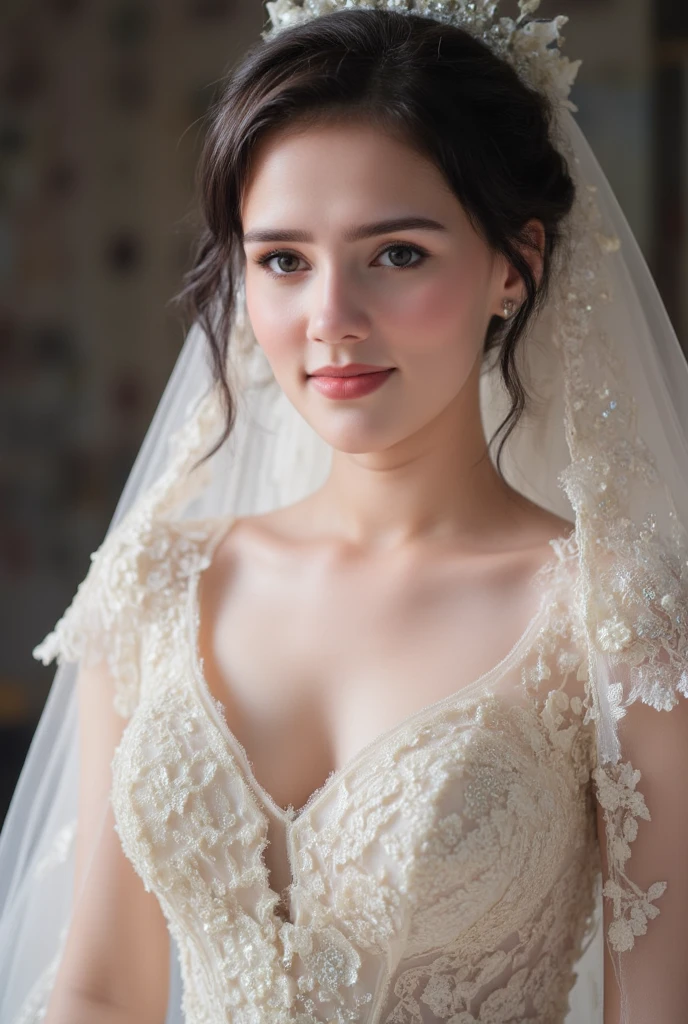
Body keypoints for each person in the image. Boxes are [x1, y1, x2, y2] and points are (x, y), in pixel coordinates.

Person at [1, 1, 687, 1022]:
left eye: (396, 253)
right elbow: (100, 989)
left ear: (515, 265)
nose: (330, 321)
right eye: (282, 259)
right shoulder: (154, 582)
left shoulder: (614, 618)